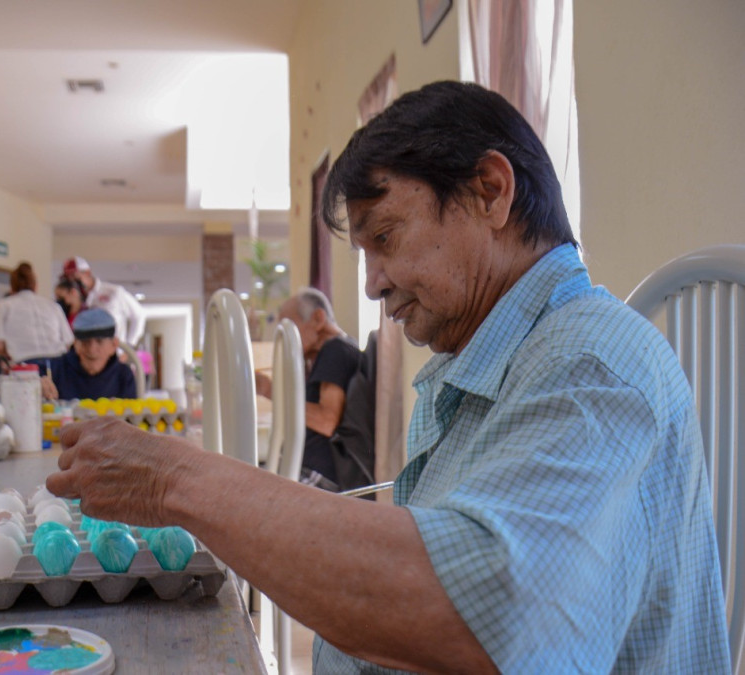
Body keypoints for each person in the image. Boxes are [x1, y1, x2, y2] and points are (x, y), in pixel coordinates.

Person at [45, 81, 730, 673]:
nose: (371, 282)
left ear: (489, 191)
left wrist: (176, 481)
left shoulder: (590, 360)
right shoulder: (491, 362)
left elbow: (484, 614)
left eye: (385, 237)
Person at [255, 288, 363, 491]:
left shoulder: (335, 350)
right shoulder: (334, 351)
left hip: (321, 472)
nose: (286, 335)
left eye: (289, 324)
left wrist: (271, 391)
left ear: (318, 318)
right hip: (310, 466)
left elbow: (326, 421)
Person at [0, 261, 73, 366]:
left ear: (12, 286)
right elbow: (68, 342)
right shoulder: (53, 306)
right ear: (35, 285)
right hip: (58, 364)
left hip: (25, 367)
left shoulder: (2, 306)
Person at [41, 308, 137, 401]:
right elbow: (28, 370)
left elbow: (131, 416)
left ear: (113, 345)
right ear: (75, 344)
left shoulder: (123, 376)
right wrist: (37, 383)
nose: (91, 349)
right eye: (85, 342)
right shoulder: (54, 370)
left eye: (99, 341)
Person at [63, 256, 145, 348]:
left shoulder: (114, 291)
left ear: (87, 272)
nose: (72, 282)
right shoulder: (73, 299)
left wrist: (129, 345)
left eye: (75, 277)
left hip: (115, 353)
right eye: (68, 278)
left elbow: (139, 315)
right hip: (86, 354)